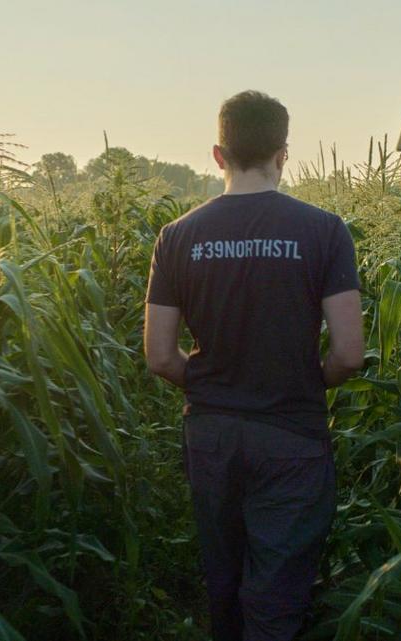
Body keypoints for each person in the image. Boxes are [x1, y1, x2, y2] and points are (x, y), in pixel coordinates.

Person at [143, 90, 364, 641]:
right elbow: (349, 353)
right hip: (292, 436)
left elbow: (160, 356)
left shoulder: (177, 237)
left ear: (218, 155)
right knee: (276, 598)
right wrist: (309, 383)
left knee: (225, 583)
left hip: (212, 436)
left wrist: (218, 389)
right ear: (283, 153)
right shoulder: (324, 231)